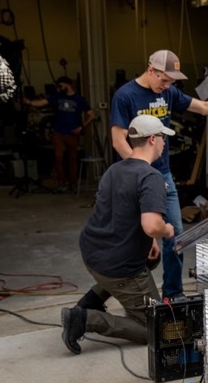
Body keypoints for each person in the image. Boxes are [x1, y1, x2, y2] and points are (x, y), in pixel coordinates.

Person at [108, 49, 208, 300]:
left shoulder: (168, 92)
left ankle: (173, 295)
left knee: (175, 236)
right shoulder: (125, 96)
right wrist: (141, 171)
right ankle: (120, 297)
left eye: (171, 81)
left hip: (163, 176)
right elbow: (118, 141)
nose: (167, 86)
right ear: (150, 70)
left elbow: (203, 107)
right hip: (133, 178)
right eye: (163, 79)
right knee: (131, 239)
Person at [61, 114, 175, 354]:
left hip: (92, 254)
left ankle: (92, 300)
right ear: (153, 139)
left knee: (151, 260)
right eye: (163, 138)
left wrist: (150, 240)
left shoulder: (114, 170)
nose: (165, 143)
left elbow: (122, 212)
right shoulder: (151, 177)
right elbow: (153, 224)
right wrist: (165, 231)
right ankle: (84, 319)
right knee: (154, 327)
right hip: (118, 267)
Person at [23, 76, 95, 191]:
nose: (59, 88)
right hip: (59, 133)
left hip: (72, 133)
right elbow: (42, 102)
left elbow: (92, 115)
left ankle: (72, 183)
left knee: (72, 159)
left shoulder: (79, 99)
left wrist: (81, 127)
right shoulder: (58, 97)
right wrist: (29, 102)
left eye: (61, 85)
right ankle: (61, 182)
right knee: (58, 157)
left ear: (67, 85)